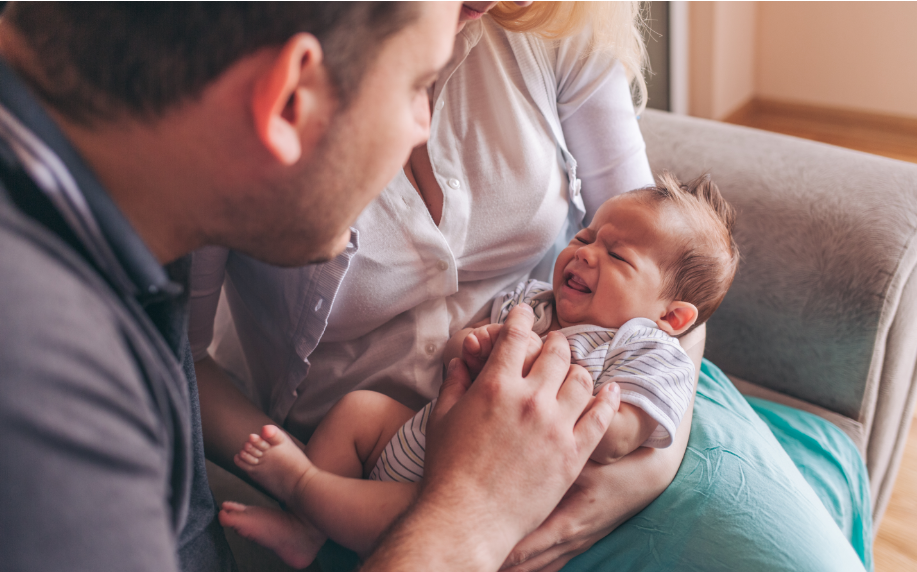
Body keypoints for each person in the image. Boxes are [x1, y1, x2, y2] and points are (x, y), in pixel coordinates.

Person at [0, 4, 615, 572]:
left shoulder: (108, 245)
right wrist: (475, 512)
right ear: (290, 99)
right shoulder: (43, 380)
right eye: (415, 89)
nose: (424, 129)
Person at [191, 2, 700, 570]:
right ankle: (310, 516)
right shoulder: (240, 62)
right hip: (380, 443)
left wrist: (638, 475)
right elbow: (180, 355)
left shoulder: (556, 21)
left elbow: (668, 278)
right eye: (584, 237)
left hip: (551, 453)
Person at [217, 173, 739, 567]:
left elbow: (625, 435)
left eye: (617, 256)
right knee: (359, 410)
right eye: (584, 238)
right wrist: (474, 345)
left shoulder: (644, 346)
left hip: (480, 483)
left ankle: (305, 486)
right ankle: (304, 531)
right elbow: (454, 356)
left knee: (408, 516)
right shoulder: (533, 302)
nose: (584, 255)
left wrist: (575, 400)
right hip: (427, 433)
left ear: (671, 316)